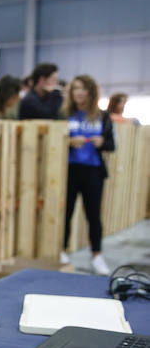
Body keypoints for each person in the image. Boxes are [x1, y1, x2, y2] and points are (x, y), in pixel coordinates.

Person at [60, 75, 115, 275]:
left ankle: (97, 255)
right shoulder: (65, 114)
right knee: (66, 213)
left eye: (83, 88)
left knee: (93, 215)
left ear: (91, 92)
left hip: (93, 171)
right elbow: (56, 140)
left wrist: (102, 142)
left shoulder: (102, 116)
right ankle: (63, 250)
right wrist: (68, 143)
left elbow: (112, 144)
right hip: (70, 170)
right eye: (75, 88)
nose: (79, 92)